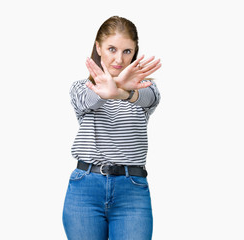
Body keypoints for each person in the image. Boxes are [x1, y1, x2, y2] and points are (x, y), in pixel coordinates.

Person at [62, 16, 162, 240]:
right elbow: (88, 100)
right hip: (85, 189)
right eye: (112, 49)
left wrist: (124, 92)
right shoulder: (80, 88)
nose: (119, 59)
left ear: (135, 52)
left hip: (132, 190)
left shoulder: (146, 88)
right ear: (98, 47)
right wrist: (110, 89)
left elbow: (147, 98)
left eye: (127, 51)